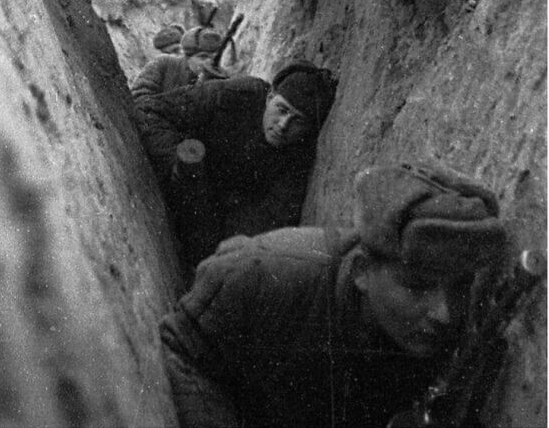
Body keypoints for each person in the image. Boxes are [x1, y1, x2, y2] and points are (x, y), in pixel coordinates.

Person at [160, 162, 508, 428]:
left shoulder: (449, 335)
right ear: (362, 273)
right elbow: (182, 350)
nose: (445, 314)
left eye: (460, 286)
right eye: (418, 286)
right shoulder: (262, 275)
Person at [135, 61, 337, 264]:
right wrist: (176, 168)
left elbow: (269, 218)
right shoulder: (239, 94)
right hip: (179, 164)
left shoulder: (298, 157)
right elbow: (151, 111)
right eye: (282, 110)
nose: (284, 125)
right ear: (269, 97)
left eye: (298, 121)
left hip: (215, 212)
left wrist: (209, 226)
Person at [131, 26, 224, 100]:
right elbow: (138, 98)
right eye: (203, 57)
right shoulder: (163, 64)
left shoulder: (221, 76)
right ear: (187, 57)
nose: (209, 62)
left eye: (214, 58)